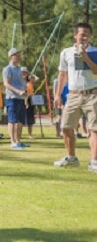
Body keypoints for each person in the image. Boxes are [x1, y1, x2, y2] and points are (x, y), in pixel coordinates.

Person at [53, 22, 97, 171]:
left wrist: (86, 58)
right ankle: (71, 158)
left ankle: (94, 162)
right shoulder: (66, 52)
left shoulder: (95, 51)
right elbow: (62, 74)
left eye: (87, 34)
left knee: (94, 129)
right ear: (75, 35)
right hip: (73, 95)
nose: (84, 37)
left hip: (92, 94)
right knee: (65, 127)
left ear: (90, 36)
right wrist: (57, 95)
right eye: (81, 34)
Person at [3, 48, 29, 150]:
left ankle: (18, 141)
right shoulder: (7, 69)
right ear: (10, 56)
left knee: (19, 120)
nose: (18, 57)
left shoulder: (19, 69)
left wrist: (24, 92)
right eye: (16, 55)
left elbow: (21, 83)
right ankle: (12, 142)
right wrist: (18, 91)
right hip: (12, 97)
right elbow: (6, 84)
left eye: (19, 55)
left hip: (21, 98)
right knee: (12, 120)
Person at [22, 67, 39, 139]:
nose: (24, 74)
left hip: (31, 99)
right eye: (23, 73)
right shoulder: (22, 82)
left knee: (30, 118)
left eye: (26, 73)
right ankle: (19, 134)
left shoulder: (30, 82)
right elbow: (25, 93)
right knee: (22, 118)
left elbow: (37, 78)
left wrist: (30, 73)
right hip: (25, 99)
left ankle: (30, 134)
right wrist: (26, 102)